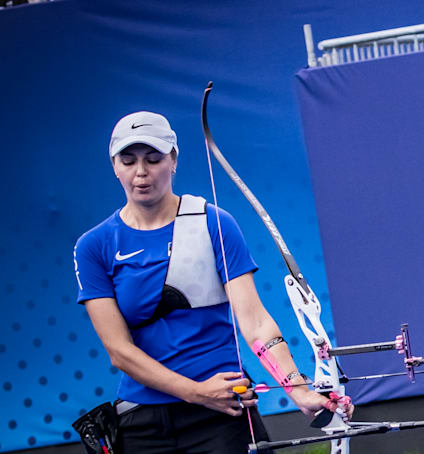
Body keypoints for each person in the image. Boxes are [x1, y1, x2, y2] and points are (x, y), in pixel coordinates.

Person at [75, 112, 351, 453]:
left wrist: (299, 391)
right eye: (128, 161)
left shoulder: (214, 223)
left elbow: (256, 322)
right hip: (142, 421)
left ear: (173, 160)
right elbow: (119, 351)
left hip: (223, 414)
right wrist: (195, 391)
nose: (141, 172)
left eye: (154, 159)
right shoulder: (94, 246)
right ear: (115, 166)